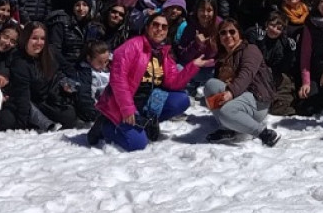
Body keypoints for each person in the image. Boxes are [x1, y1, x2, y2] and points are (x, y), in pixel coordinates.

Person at [93, 13, 215, 151]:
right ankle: (105, 126)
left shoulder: (163, 52)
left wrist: (193, 66)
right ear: (147, 27)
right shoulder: (131, 46)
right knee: (137, 144)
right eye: (155, 25)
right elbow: (118, 80)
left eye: (164, 27)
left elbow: (173, 83)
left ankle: (145, 123)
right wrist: (127, 109)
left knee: (181, 100)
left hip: (146, 103)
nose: (160, 29)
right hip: (121, 104)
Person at [202, 20, 281, 146]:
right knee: (211, 85)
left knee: (226, 112)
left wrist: (231, 93)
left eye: (232, 31)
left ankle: (264, 133)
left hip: (256, 99)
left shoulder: (250, 49)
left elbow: (247, 74)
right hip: (239, 95)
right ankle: (227, 129)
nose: (228, 35)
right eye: (223, 33)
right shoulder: (223, 58)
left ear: (239, 33)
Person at [0, 23, 80, 132]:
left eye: (42, 39)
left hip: (49, 96)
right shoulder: (20, 62)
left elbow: (69, 69)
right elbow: (23, 95)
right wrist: (21, 125)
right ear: (25, 38)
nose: (39, 43)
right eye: (34, 38)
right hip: (28, 100)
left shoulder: (50, 52)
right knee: (8, 119)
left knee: (69, 116)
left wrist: (67, 82)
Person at [47, 0, 106, 71]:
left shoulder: (91, 26)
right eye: (77, 5)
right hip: (62, 67)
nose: (81, 8)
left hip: (82, 66)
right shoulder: (61, 22)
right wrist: (67, 68)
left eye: (84, 5)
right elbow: (54, 49)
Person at [69, 41, 113, 134]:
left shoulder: (109, 68)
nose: (104, 65)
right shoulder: (86, 74)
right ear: (89, 59)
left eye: (106, 61)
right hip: (96, 111)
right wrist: (95, 114)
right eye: (100, 62)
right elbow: (85, 96)